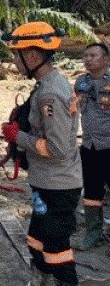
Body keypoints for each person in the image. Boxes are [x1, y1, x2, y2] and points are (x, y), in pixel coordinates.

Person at [0, 22, 81, 286]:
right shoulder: (45, 85)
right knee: (37, 241)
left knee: (56, 250)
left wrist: (18, 137)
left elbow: (57, 148)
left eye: (16, 55)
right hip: (44, 183)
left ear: (33, 56)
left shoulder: (50, 94)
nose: (14, 61)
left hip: (57, 187)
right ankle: (42, 279)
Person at [73, 43, 110, 251]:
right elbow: (75, 110)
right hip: (89, 145)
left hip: (109, 145)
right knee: (92, 192)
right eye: (85, 55)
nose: (88, 59)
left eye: (93, 55)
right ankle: (93, 233)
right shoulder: (81, 82)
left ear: (105, 59)